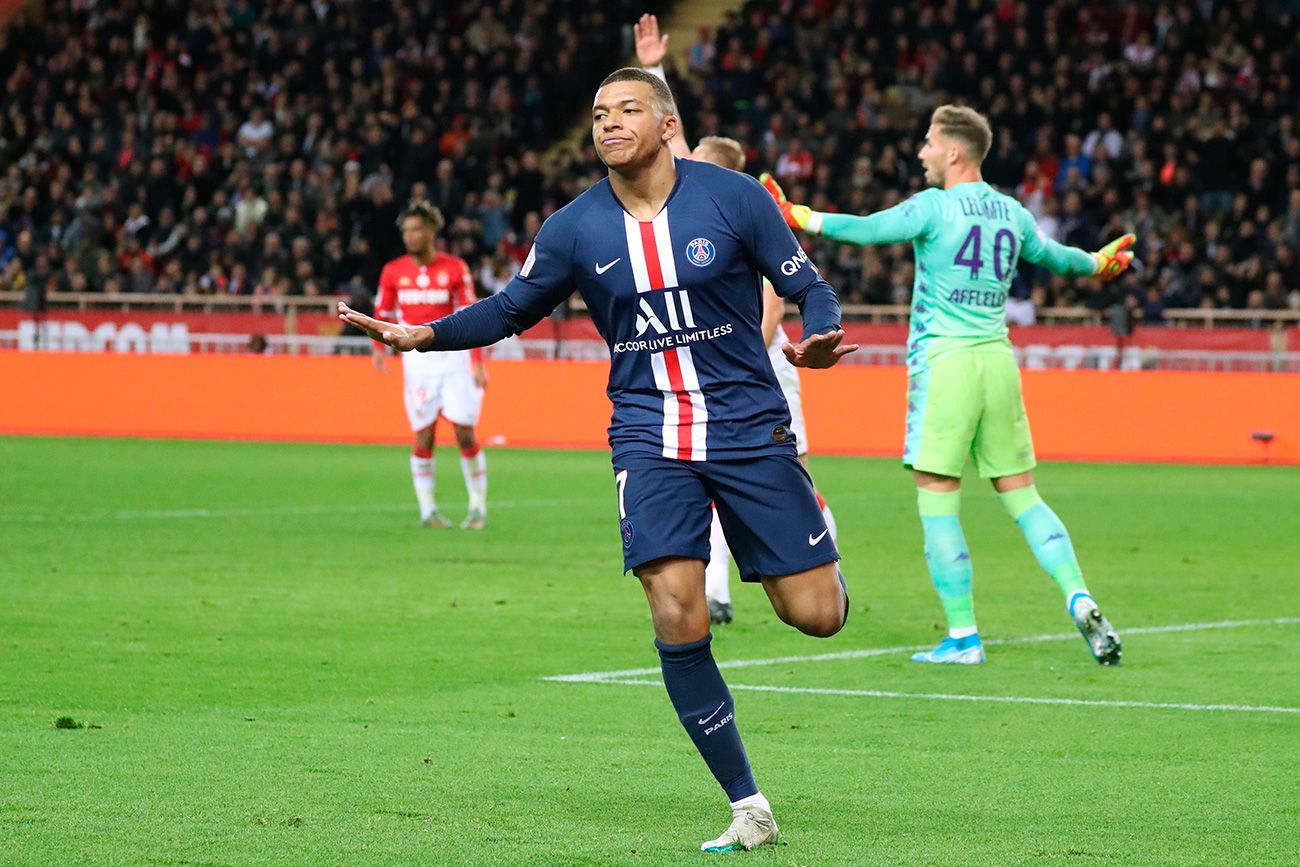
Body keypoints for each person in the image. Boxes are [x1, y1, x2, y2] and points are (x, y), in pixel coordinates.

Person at [341, 67, 856, 853]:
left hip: (748, 426)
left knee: (816, 615)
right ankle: (748, 802)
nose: (608, 123)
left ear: (667, 124)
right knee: (674, 605)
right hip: (648, 434)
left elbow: (809, 287)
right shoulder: (574, 226)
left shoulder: (735, 198)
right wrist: (425, 334)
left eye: (627, 110)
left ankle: (812, 544)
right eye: (598, 114)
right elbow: (511, 308)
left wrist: (817, 338)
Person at [761, 104, 1134, 666]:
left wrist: (797, 214)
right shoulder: (1013, 212)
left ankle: (963, 637)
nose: (922, 153)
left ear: (955, 152)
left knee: (938, 499)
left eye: (930, 144)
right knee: (1023, 494)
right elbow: (1062, 260)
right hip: (998, 362)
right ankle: (1078, 594)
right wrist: (1100, 264)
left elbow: (868, 229)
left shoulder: (934, 207)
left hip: (946, 363)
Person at [633, 14, 838, 626]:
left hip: (761, 369)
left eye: (694, 159)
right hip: (720, 368)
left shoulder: (739, 209)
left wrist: (744, 361)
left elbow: (776, 301)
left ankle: (822, 561)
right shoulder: (695, 206)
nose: (681, 165)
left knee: (791, 479)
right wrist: (653, 69)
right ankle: (718, 594)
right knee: (707, 484)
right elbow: (668, 138)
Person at [372, 200, 489, 530]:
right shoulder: (393, 271)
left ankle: (477, 507)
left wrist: (477, 362)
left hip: (454, 358)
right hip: (417, 364)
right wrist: (377, 348)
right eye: (405, 231)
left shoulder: (454, 268)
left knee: (464, 431)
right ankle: (428, 511)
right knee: (423, 434)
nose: (409, 236)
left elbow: (471, 316)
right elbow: (382, 312)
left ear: (431, 232)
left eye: (415, 229)